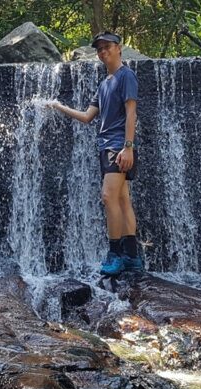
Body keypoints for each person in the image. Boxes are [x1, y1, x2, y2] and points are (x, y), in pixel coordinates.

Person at [48, 31, 142, 275]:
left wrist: (128, 147)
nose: (103, 52)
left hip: (118, 146)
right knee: (122, 199)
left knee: (108, 197)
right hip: (107, 146)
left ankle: (115, 253)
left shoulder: (126, 76)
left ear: (119, 48)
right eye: (99, 49)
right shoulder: (104, 84)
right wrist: (59, 107)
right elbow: (87, 117)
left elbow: (131, 113)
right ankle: (132, 257)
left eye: (107, 47)